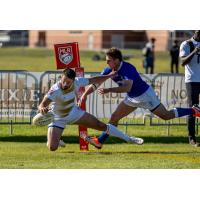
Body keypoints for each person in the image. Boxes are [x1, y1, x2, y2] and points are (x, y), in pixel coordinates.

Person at [79, 47, 200, 149]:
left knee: (166, 116)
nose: (107, 63)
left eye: (109, 61)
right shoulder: (108, 70)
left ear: (116, 60)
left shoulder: (128, 68)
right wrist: (84, 95)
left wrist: (109, 90)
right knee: (114, 118)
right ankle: (100, 142)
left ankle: (193, 110)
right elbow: (96, 84)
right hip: (132, 98)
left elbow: (127, 87)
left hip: (145, 95)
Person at [38, 68, 144, 151]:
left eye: (68, 82)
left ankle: (129, 139)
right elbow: (42, 104)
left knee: (100, 125)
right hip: (57, 118)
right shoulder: (55, 89)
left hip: (73, 113)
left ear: (73, 80)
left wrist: (109, 76)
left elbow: (94, 80)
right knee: (52, 147)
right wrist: (42, 108)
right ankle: (55, 139)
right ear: (61, 77)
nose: (65, 84)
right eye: (64, 81)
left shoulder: (77, 82)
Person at [179, 30, 200, 147]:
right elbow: (182, 62)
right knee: (193, 109)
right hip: (192, 80)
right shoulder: (186, 44)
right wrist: (195, 51)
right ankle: (192, 138)